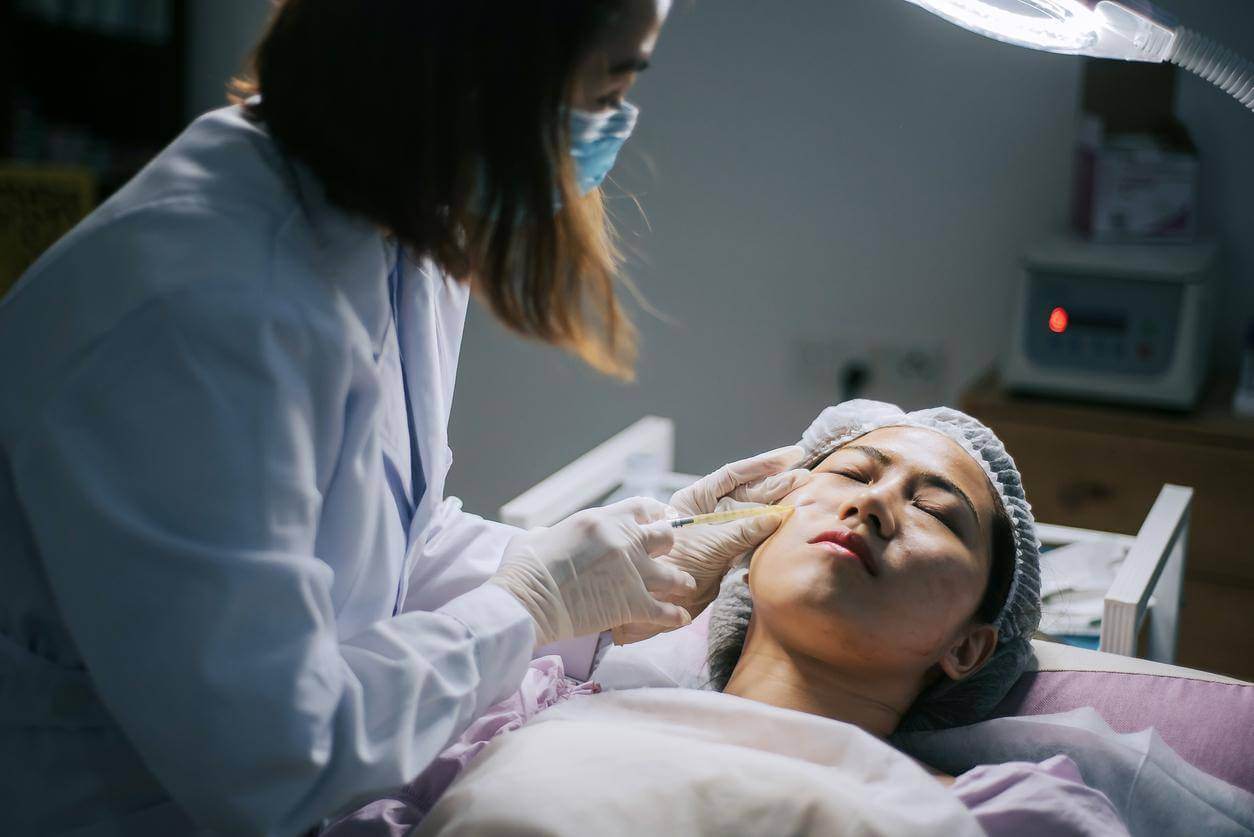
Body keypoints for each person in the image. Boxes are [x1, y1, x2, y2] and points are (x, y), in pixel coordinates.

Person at [0, 2, 809, 834]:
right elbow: (272, 756)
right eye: (609, 87)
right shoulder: (199, 310)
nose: (611, 125)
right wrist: (534, 602)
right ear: (479, 72)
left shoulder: (403, 230)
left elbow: (384, 538)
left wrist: (609, 579)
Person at [324, 401, 1141, 836]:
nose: (874, 502)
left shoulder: (1001, 814)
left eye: (935, 510)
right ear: (757, 534)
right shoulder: (528, 707)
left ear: (969, 645)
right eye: (856, 469)